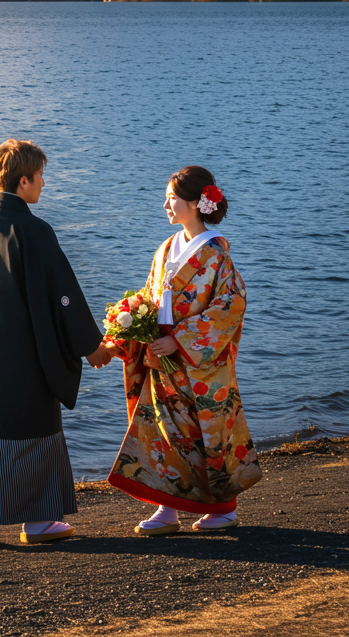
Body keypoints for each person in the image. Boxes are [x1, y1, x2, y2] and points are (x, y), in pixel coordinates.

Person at [0, 139, 110, 548]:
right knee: (34, 431)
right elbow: (63, 296)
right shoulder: (34, 230)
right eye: (40, 177)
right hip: (24, 355)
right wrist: (92, 347)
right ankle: (37, 523)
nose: (43, 184)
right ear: (23, 181)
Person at [104, 165, 262, 534]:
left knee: (205, 431)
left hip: (198, 361)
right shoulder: (167, 248)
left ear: (196, 203)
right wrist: (122, 335)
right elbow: (147, 298)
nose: (165, 205)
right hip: (162, 356)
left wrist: (180, 338)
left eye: (172, 199)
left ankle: (223, 508)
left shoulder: (216, 255)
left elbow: (230, 305)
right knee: (162, 431)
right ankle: (168, 507)